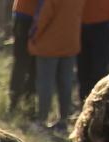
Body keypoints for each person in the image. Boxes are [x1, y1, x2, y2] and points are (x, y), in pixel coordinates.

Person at [30, 0, 82, 130]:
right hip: (71, 42)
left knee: (45, 83)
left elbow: (43, 16)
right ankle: (63, 121)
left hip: (49, 43)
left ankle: (41, 120)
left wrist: (33, 36)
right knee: (66, 83)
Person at [77, 0, 109, 101]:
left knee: (99, 71)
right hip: (80, 26)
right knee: (82, 71)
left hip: (102, 27)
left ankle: (100, 104)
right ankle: (84, 105)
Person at [9, 0, 38, 112]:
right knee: (25, 63)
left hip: (30, 15)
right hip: (28, 15)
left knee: (28, 65)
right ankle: (17, 101)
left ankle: (25, 102)